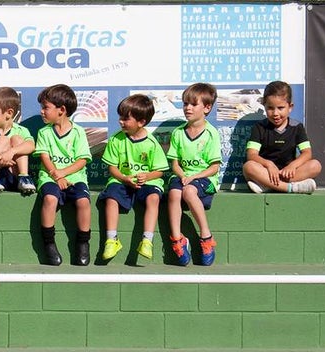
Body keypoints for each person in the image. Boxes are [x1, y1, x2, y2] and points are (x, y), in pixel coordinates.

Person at [97, 94, 168, 265]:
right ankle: (111, 240)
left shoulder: (151, 143)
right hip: (122, 180)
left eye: (126, 119)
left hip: (148, 183)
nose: (121, 122)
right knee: (111, 198)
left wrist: (147, 176)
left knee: (153, 198)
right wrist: (123, 177)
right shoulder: (116, 139)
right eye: (120, 117)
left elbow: (160, 171)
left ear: (141, 122)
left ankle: (147, 241)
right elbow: (112, 167)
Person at [33, 83, 92, 267]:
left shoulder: (78, 132)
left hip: (75, 178)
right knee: (50, 199)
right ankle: (49, 244)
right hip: (49, 178)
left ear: (62, 110)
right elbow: (44, 156)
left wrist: (65, 174)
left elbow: (82, 160)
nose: (42, 111)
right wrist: (56, 176)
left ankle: (83, 243)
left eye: (46, 108)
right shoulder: (44, 132)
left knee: (83, 202)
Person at [166, 82, 221, 267]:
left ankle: (206, 237)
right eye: (185, 104)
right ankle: (177, 239)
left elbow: (214, 168)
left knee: (189, 191)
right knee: (174, 192)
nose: (187, 108)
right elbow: (174, 164)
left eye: (193, 104)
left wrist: (194, 177)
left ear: (207, 107)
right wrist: (182, 174)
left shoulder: (212, 134)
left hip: (204, 179)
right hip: (183, 176)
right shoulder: (178, 133)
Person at [243, 80, 321, 194]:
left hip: (289, 174)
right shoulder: (259, 127)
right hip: (266, 172)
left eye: (280, 108)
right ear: (264, 106)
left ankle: (268, 185)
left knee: (315, 165)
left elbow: (307, 153)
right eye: (270, 108)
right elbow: (251, 155)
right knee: (248, 167)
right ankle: (291, 188)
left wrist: (293, 166)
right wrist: (269, 165)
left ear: (290, 107)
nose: (275, 113)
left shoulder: (297, 127)